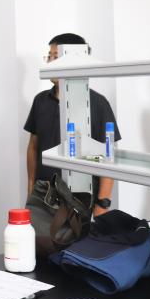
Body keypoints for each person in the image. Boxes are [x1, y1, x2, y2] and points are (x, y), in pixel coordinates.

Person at [24, 33, 121, 217]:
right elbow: (33, 147)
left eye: (55, 57)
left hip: (81, 201)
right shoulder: (40, 101)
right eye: (49, 56)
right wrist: (30, 190)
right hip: (43, 199)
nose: (50, 62)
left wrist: (102, 205)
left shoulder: (98, 104)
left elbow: (109, 156)